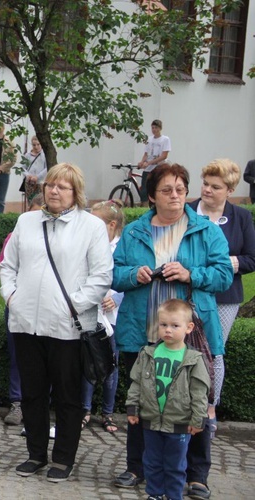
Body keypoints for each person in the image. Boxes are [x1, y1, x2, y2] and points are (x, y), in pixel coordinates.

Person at [111, 163, 232, 499]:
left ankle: (196, 475)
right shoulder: (135, 231)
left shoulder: (206, 231)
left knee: (194, 400)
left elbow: (223, 275)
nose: (176, 195)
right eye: (167, 190)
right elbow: (115, 273)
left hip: (189, 338)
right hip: (143, 332)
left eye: (180, 188)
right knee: (142, 401)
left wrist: (191, 273)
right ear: (152, 195)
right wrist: (134, 274)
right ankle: (136, 467)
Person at [0, 163, 113, 482]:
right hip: (26, 324)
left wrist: (72, 305)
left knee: (67, 395)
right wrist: (12, 298)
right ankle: (35, 454)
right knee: (33, 393)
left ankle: (63, 458)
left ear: (76, 193)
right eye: (50, 184)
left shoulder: (90, 226)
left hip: (68, 327)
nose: (53, 190)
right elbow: (8, 265)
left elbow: (102, 275)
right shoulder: (26, 221)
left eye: (62, 186)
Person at [189, 159, 255, 431]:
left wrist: (221, 263)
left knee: (214, 351)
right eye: (205, 184)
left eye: (216, 187)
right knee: (185, 349)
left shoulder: (241, 216)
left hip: (225, 297)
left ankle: (209, 407)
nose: (207, 190)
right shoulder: (187, 210)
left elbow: (252, 259)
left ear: (229, 190)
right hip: (189, 291)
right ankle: (184, 406)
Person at [126, 299, 209, 500]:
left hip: (179, 423)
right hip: (151, 421)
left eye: (174, 325)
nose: (168, 330)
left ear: (189, 328)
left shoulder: (193, 359)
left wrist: (198, 419)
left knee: (175, 465)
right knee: (152, 461)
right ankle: (154, 494)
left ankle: (173, 495)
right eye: (163, 325)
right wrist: (132, 407)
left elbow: (199, 392)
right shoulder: (148, 353)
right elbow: (136, 382)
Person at [0, 194, 44, 427]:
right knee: (18, 355)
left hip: (47, 307)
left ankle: (40, 403)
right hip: (19, 305)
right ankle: (17, 402)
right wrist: (11, 297)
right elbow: (6, 266)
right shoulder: (15, 236)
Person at [81, 200, 125, 433]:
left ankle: (107, 412)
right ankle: (85, 409)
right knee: (89, 359)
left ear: (111, 225)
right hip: (91, 311)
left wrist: (116, 298)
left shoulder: (122, 247)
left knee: (110, 363)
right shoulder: (89, 245)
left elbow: (131, 278)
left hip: (113, 316)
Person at [137, 119, 171, 203]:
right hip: (148, 168)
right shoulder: (149, 139)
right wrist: (142, 162)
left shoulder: (165, 139)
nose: (154, 130)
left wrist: (149, 162)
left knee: (157, 188)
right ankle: (144, 208)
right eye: (152, 128)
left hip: (159, 167)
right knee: (144, 190)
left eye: (156, 127)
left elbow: (164, 156)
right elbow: (146, 154)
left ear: (160, 128)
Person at [20, 136, 47, 204]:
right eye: (34, 145)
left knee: (41, 200)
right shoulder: (27, 155)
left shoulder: (44, 154)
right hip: (29, 182)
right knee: (31, 201)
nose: (36, 147)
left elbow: (46, 168)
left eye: (38, 144)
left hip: (40, 182)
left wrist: (38, 177)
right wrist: (28, 175)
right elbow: (22, 168)